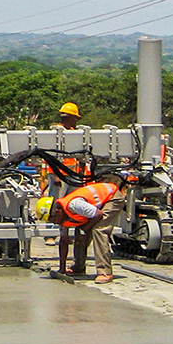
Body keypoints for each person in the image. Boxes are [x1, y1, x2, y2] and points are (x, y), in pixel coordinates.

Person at [44, 180, 126, 284]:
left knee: (99, 230)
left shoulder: (74, 205)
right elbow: (63, 241)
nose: (55, 222)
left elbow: (98, 215)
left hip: (112, 197)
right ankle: (78, 268)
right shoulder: (61, 217)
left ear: (57, 211)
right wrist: (62, 269)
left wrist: (85, 229)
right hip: (96, 207)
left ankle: (105, 272)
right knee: (80, 233)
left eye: (54, 219)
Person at [42, 102, 87, 244]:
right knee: (55, 204)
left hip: (73, 175)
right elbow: (51, 155)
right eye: (75, 118)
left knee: (72, 204)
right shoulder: (56, 133)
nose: (76, 120)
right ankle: (50, 234)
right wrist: (55, 175)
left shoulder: (73, 132)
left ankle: (67, 233)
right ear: (68, 117)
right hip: (59, 176)